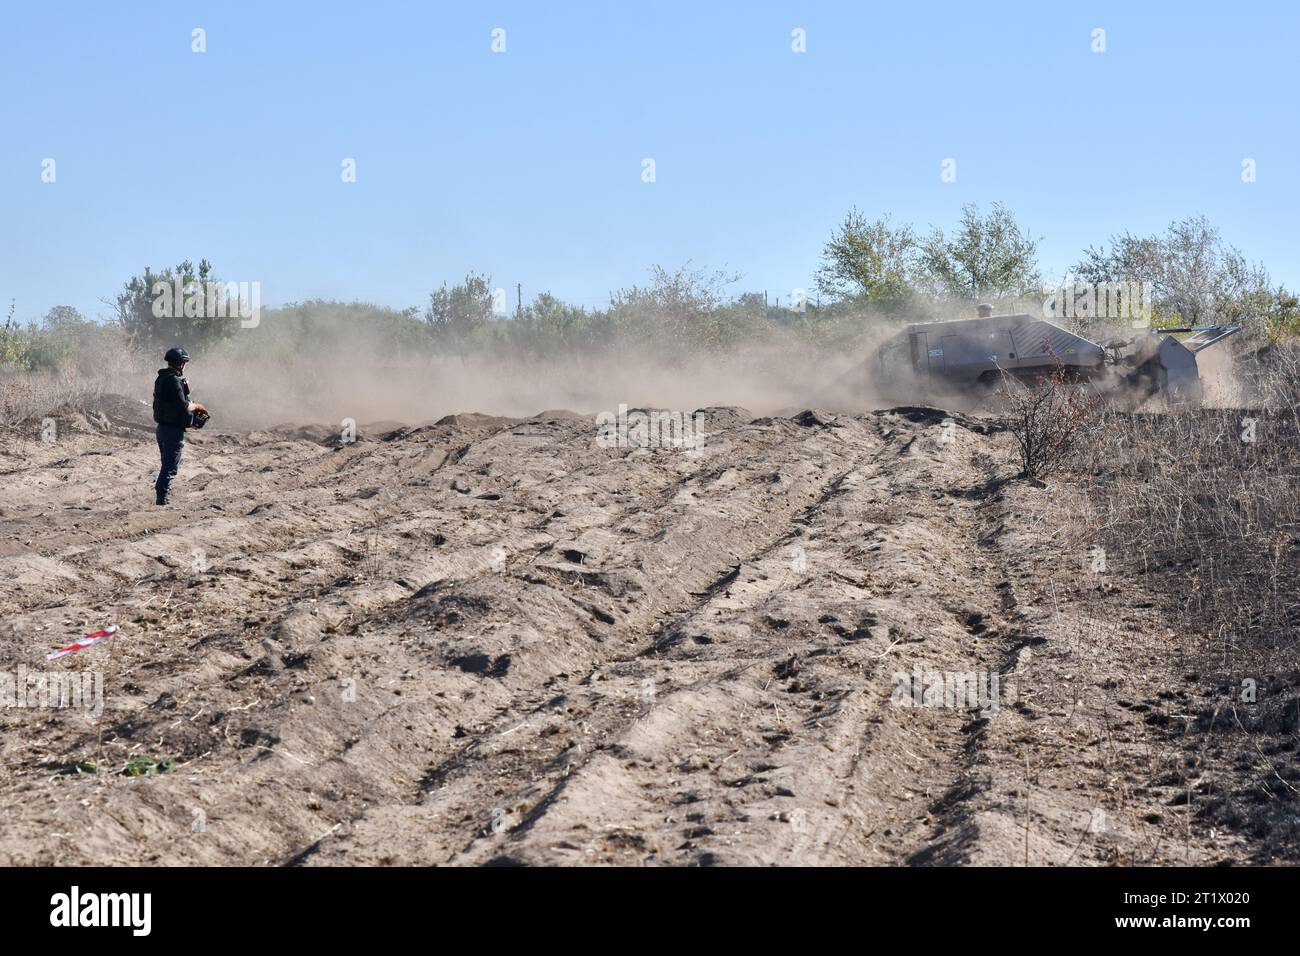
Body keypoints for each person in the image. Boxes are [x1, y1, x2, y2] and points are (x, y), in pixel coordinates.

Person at [152, 346, 204, 505]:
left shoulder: (161, 378)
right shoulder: (174, 381)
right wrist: (198, 407)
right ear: (181, 363)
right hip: (172, 431)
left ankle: (161, 498)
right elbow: (184, 405)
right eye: (184, 363)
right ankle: (162, 500)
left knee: (166, 465)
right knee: (170, 468)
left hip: (162, 429)